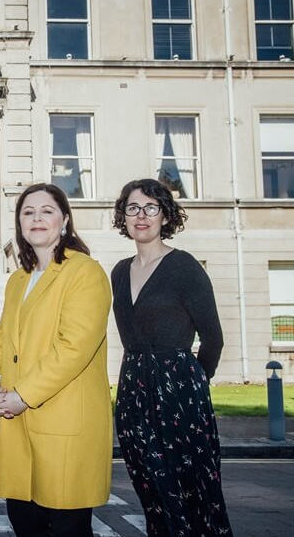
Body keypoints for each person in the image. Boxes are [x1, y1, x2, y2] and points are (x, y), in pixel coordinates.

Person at [0, 183, 112, 537]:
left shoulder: (85, 272)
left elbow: (74, 348)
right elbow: (1, 339)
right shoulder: (17, 280)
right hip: (17, 426)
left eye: (47, 211)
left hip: (63, 425)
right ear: (19, 225)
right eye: (28, 212)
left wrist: (21, 396)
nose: (36, 218)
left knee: (67, 529)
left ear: (65, 220)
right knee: (25, 524)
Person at [111, 178, 232, 536]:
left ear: (165, 216)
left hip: (180, 393)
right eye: (133, 208)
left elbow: (213, 338)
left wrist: (190, 382)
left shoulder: (184, 267)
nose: (142, 215)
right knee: (151, 492)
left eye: (151, 207)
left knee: (193, 495)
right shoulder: (118, 272)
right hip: (133, 390)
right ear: (124, 217)